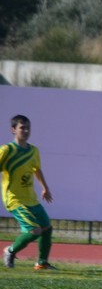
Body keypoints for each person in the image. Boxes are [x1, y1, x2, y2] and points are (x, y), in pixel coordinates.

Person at [2, 114, 56, 270]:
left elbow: (36, 169)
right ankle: (10, 251)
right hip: (15, 200)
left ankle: (42, 263)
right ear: (13, 130)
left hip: (31, 199)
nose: (26, 131)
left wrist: (45, 188)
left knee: (46, 228)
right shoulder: (7, 150)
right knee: (34, 231)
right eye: (22, 128)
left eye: (28, 128)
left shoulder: (33, 150)